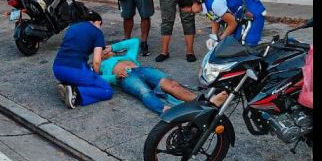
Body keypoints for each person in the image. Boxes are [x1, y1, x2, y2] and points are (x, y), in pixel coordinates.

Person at [97, 38, 228, 114]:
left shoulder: (127, 56)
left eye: (105, 49)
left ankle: (205, 103)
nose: (105, 51)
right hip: (126, 76)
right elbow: (98, 79)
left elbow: (135, 42)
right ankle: (164, 110)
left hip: (142, 69)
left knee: (171, 84)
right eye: (102, 51)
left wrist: (113, 47)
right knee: (145, 92)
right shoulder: (101, 65)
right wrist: (114, 77)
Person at [52, 11, 113, 109]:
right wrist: (96, 76)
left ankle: (66, 85)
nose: (100, 27)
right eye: (100, 24)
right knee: (106, 90)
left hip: (57, 69)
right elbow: (96, 62)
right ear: (97, 21)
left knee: (85, 70)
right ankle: (76, 94)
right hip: (75, 70)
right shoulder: (97, 32)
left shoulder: (72, 28)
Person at [177, 0, 267, 47]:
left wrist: (220, 39)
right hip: (239, 13)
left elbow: (233, 23)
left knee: (249, 42)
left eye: (190, 9)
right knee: (236, 41)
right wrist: (213, 36)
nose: (189, 12)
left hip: (252, 9)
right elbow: (215, 17)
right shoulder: (204, 2)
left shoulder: (215, 4)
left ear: (195, 2)